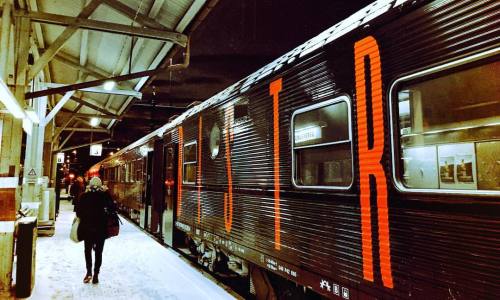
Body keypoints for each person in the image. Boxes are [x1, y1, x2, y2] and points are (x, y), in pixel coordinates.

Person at [75, 177, 115, 284]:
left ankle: (88, 272)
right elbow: (112, 208)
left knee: (87, 250)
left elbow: (78, 212)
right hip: (101, 229)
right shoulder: (104, 196)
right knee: (99, 252)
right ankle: (96, 274)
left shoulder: (84, 196)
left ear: (90, 185)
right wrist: (107, 193)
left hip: (87, 229)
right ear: (101, 185)